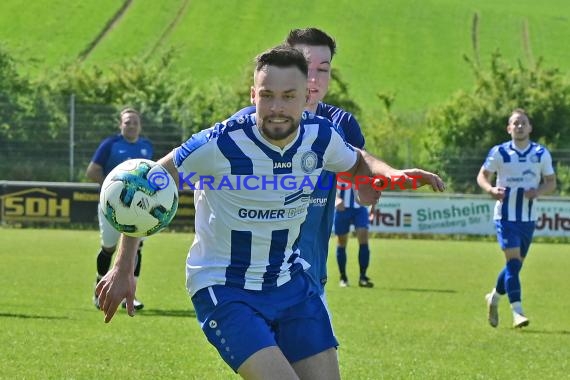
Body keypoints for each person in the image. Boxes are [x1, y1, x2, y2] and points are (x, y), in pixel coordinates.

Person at [96, 46, 445, 379]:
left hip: (290, 284)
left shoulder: (320, 137)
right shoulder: (219, 143)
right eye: (267, 95)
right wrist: (124, 266)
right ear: (253, 96)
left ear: (306, 99)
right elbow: (144, 185)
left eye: (289, 96)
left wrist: (386, 174)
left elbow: (355, 162)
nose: (277, 107)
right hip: (224, 287)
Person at [231, 28, 367, 297]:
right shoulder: (246, 125)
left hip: (310, 280)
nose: (314, 78)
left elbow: (360, 171)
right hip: (251, 283)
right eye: (306, 67)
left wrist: (377, 180)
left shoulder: (342, 125)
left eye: (324, 69)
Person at [477, 108, 556, 328]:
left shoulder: (540, 153)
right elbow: (482, 176)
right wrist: (491, 189)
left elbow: (551, 181)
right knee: (513, 263)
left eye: (523, 123)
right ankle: (517, 312)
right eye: (515, 123)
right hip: (505, 216)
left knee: (515, 267)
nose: (520, 126)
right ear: (509, 128)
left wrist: (538, 192)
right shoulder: (500, 152)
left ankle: (493, 297)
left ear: (530, 127)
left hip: (527, 217)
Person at [86, 108, 153, 310]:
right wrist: (113, 189)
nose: (131, 125)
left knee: (136, 247)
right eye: (127, 122)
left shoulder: (146, 146)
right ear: (120, 125)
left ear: (140, 125)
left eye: (134, 122)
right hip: (111, 207)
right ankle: (100, 292)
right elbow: (92, 171)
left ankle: (129, 294)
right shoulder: (110, 145)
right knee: (109, 247)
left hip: (139, 208)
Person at [334, 186, 374, 287]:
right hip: (342, 209)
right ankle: (343, 277)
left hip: (360, 209)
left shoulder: (364, 170)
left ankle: (363, 277)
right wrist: (337, 199)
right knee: (341, 242)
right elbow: (330, 185)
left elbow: (373, 187)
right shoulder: (339, 170)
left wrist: (372, 208)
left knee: (364, 239)